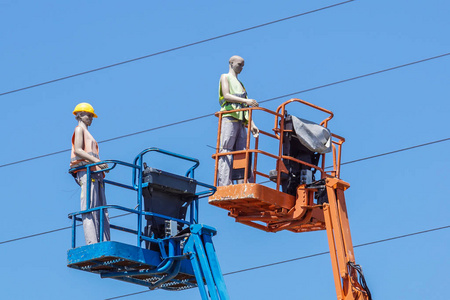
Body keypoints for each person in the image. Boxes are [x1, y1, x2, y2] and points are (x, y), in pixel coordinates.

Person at [70, 102, 110, 245]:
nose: (91, 118)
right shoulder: (79, 130)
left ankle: (104, 242)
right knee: (89, 208)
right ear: (80, 115)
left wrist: (100, 167)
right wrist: (97, 162)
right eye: (89, 115)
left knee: (102, 211)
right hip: (86, 173)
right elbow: (79, 150)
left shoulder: (89, 134)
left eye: (92, 116)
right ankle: (92, 242)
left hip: (95, 174)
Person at [218, 55, 259, 186]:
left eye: (242, 65)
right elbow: (226, 95)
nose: (241, 67)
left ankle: (245, 184)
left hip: (241, 120)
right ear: (231, 63)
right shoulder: (225, 77)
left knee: (243, 152)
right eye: (239, 64)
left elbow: (245, 108)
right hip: (229, 117)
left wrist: (251, 124)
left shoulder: (241, 85)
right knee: (226, 149)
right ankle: (225, 183)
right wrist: (246, 100)